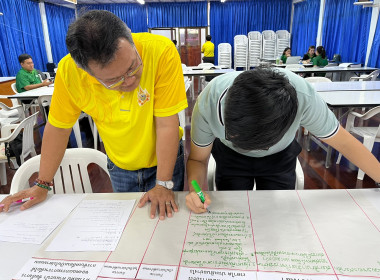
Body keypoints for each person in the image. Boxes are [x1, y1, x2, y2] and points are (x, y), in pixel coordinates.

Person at [1, 10, 188, 220]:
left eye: (133, 67)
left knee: (170, 224)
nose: (129, 81)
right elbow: (59, 128)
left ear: (129, 37)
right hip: (120, 164)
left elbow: (166, 124)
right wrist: (42, 184)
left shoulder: (160, 51)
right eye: (114, 81)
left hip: (167, 160)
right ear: (86, 72)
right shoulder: (70, 72)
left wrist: (163, 183)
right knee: (131, 227)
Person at [185, 68, 380, 213]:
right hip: (231, 158)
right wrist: (195, 191)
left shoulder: (304, 99)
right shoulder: (207, 105)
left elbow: (345, 142)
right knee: (232, 211)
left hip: (279, 158)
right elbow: (197, 160)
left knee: (278, 213)